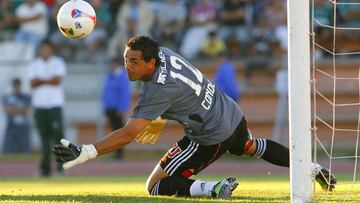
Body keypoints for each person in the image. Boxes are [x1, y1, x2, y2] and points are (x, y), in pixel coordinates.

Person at [53, 36, 337, 199]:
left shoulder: (157, 90)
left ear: (150, 62)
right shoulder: (164, 52)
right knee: (252, 146)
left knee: (154, 186)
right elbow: (179, 91)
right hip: (230, 113)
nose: (127, 66)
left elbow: (129, 133)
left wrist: (86, 152)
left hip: (209, 136)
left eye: (134, 61)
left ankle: (214, 189)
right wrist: (161, 117)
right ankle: (311, 169)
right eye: (126, 59)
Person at [28, 40, 66, 177]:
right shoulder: (34, 64)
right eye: (43, 48)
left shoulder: (58, 62)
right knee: (44, 139)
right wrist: (48, 80)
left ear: (51, 50)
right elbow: (32, 83)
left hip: (55, 106)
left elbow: (57, 81)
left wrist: (41, 80)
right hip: (40, 106)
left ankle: (60, 168)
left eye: (47, 48)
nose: (45, 51)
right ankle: (45, 170)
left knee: (58, 138)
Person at [101, 57, 131, 159]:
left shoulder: (122, 76)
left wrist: (122, 108)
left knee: (119, 132)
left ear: (117, 64)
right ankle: (116, 153)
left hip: (117, 109)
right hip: (110, 108)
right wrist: (105, 107)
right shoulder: (110, 76)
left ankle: (119, 153)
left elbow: (125, 93)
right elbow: (105, 92)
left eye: (113, 63)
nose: (112, 66)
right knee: (114, 131)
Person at [2, 78, 31, 153]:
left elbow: (25, 111)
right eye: (15, 86)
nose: (17, 88)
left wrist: (14, 109)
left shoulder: (26, 97)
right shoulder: (7, 97)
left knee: (25, 149)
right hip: (11, 125)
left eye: (18, 86)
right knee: (7, 149)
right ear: (13, 86)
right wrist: (19, 109)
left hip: (23, 126)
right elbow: (7, 110)